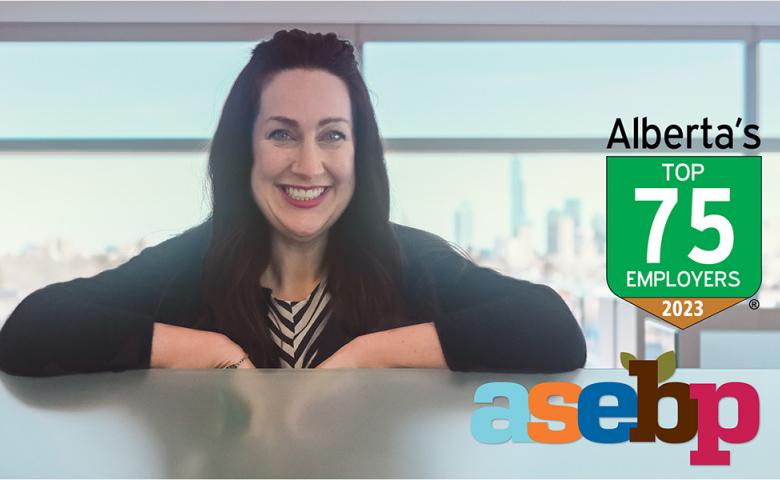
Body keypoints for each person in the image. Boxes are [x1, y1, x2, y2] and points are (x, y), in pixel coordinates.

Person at [0, 29, 586, 376]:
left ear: (360, 153)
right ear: (244, 149)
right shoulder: (184, 269)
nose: (309, 165)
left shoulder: (411, 262)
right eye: (282, 133)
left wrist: (368, 357)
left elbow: (552, 330)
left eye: (332, 134)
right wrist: (207, 351)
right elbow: (30, 332)